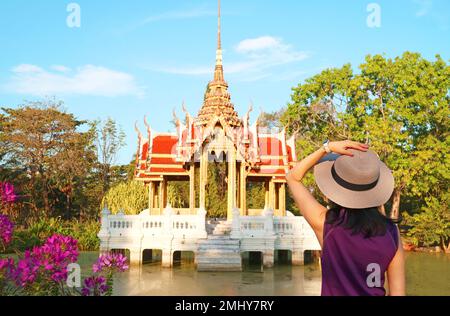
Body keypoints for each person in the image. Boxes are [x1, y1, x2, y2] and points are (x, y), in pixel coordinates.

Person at [286, 140, 405, 296]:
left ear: (337, 189)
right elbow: (398, 294)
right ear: (374, 188)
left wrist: (326, 148)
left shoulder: (327, 224)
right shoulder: (392, 233)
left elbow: (292, 177)